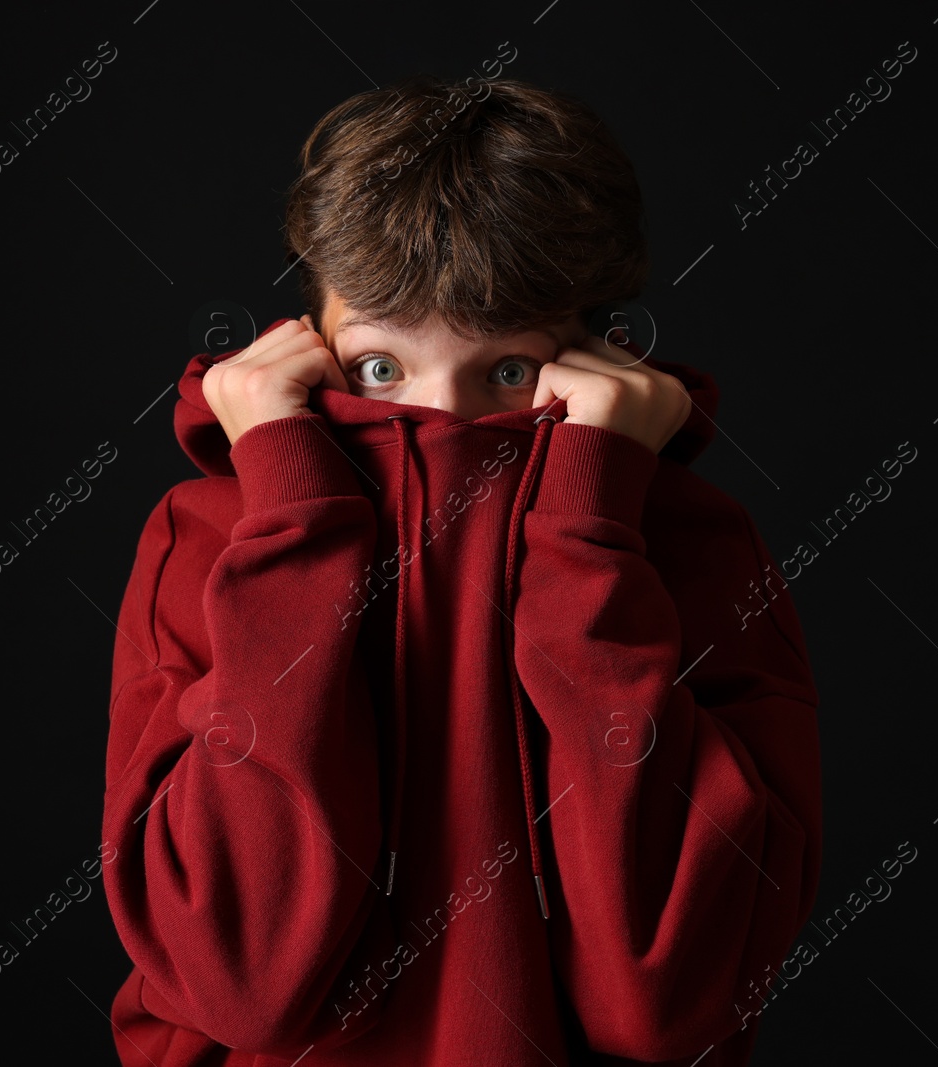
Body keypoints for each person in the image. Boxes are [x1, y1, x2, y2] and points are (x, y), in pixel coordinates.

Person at [100, 73, 823, 1066]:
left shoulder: (690, 540)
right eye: (380, 370)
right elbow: (239, 981)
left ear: (591, 355)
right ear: (304, 341)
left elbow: (668, 994)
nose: (443, 418)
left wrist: (590, 537)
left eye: (508, 372)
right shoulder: (213, 530)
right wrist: (294, 525)